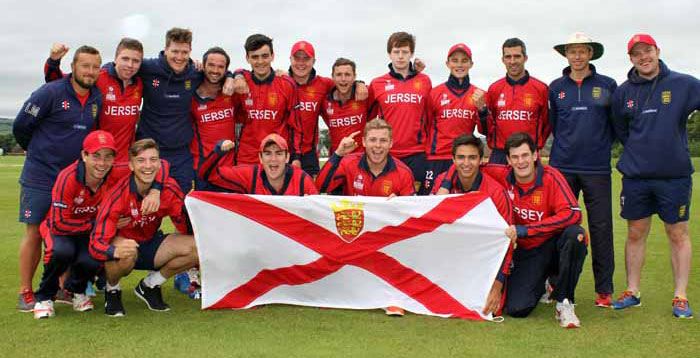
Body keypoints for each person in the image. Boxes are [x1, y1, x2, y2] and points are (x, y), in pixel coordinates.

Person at [440, 132, 587, 328]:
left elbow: (573, 214)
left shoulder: (551, 177)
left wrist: (527, 229)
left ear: (535, 155)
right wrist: (445, 185)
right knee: (517, 308)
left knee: (575, 235)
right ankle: (543, 284)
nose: (521, 162)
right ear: (508, 160)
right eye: (515, 157)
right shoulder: (501, 173)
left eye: (525, 155)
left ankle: (565, 303)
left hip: (550, 245)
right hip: (523, 251)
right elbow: (465, 164)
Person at [610, 34, 700, 318]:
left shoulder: (684, 84)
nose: (643, 57)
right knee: (636, 232)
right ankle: (632, 292)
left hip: (674, 176)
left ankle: (680, 296)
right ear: (631, 59)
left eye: (647, 51)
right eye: (637, 53)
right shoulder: (623, 92)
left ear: (657, 51)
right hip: (636, 177)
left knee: (677, 233)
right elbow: (621, 130)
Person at [32, 131, 164, 318]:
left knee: (92, 257)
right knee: (62, 252)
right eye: (96, 156)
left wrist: (156, 191)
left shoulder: (117, 171)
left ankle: (77, 291)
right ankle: (44, 297)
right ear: (84, 156)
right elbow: (59, 223)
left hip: (89, 230)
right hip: (60, 228)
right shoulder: (68, 177)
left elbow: (161, 165)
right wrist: (96, 223)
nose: (102, 163)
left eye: (108, 157)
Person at [13, 45, 102, 311]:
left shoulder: (96, 97)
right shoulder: (50, 92)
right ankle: (26, 291)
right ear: (73, 67)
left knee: (68, 233)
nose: (90, 71)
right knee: (35, 233)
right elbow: (20, 126)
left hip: (73, 180)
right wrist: (38, 152)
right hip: (41, 176)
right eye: (85, 65)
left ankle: (62, 288)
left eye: (95, 67)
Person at [316, 118, 414, 316]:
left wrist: (401, 205)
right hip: (353, 232)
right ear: (364, 141)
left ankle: (393, 297)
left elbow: (412, 215)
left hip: (385, 238)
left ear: (391, 143)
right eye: (373, 140)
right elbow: (321, 187)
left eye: (383, 141)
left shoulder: (403, 173)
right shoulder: (349, 163)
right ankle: (336, 290)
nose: (377, 146)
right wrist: (337, 154)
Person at [548, 32, 617, 307]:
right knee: (559, 225)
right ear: (566, 55)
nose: (577, 56)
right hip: (562, 166)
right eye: (572, 51)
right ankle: (553, 283)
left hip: (597, 167)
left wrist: (598, 147)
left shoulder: (608, 85)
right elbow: (554, 125)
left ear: (590, 54)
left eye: (582, 51)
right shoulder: (555, 87)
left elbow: (615, 126)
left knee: (601, 227)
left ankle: (604, 289)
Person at [90, 139, 197, 316]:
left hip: (150, 243)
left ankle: (150, 285)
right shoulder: (118, 194)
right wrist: (113, 252)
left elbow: (183, 224)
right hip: (124, 248)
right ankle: (113, 289)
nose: (148, 166)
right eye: (141, 160)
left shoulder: (169, 188)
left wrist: (190, 215)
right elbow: (97, 241)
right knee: (127, 248)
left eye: (153, 160)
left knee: (198, 247)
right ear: (131, 165)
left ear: (159, 163)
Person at [431, 134, 513, 316]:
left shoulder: (496, 192)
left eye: (472, 157)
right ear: (453, 159)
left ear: (481, 160)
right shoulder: (441, 183)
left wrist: (497, 285)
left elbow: (506, 242)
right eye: (461, 157)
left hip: (483, 259)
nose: (466, 163)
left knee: (502, 308)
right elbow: (427, 223)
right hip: (450, 255)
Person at [44, 38, 145, 162]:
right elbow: (58, 82)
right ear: (116, 58)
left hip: (124, 163)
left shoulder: (140, 84)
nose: (130, 65)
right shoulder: (99, 77)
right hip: (97, 162)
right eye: (125, 59)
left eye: (135, 61)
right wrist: (54, 61)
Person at [368, 32, 432, 192]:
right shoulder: (377, 83)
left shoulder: (424, 81)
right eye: (396, 52)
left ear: (412, 54)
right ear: (389, 54)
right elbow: (368, 120)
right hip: (387, 153)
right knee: (387, 200)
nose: (401, 56)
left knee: (415, 203)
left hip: (417, 153)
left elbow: (430, 117)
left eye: (405, 52)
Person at [423, 43, 489, 194]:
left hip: (463, 159)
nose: (459, 65)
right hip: (437, 158)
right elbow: (425, 126)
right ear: (448, 63)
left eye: (464, 61)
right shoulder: (435, 93)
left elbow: (484, 131)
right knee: (431, 205)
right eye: (455, 60)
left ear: (471, 64)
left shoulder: (479, 94)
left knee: (460, 206)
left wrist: (483, 110)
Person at [232, 34, 301, 167]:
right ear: (247, 58)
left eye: (264, 56)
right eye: (255, 57)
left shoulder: (287, 84)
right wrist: (237, 74)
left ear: (272, 56)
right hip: (247, 158)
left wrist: (296, 156)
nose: (260, 61)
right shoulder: (240, 83)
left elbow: (296, 125)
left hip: (276, 157)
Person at [485, 38, 549, 164]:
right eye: (508, 57)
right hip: (500, 154)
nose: (512, 61)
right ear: (503, 60)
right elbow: (489, 123)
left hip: (527, 154)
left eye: (517, 56)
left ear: (525, 58)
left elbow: (547, 123)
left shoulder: (541, 88)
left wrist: (536, 145)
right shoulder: (494, 89)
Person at [199, 133, 318, 195]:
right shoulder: (250, 175)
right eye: (267, 153)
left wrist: (310, 206)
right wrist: (217, 152)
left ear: (287, 157)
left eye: (279, 153)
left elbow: (321, 212)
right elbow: (207, 175)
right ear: (260, 158)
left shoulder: (302, 179)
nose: (273, 159)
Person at [190, 46, 237, 191]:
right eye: (211, 65)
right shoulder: (191, 97)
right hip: (203, 171)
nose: (215, 71)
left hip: (230, 172)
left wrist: (232, 77)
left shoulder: (232, 94)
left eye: (220, 67)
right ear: (203, 66)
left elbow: (245, 76)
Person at [320, 58, 368, 154]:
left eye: (347, 74)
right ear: (332, 77)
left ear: (354, 77)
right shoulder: (324, 101)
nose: (343, 79)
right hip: (337, 159)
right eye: (338, 75)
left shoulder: (366, 95)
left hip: (361, 159)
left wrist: (360, 83)